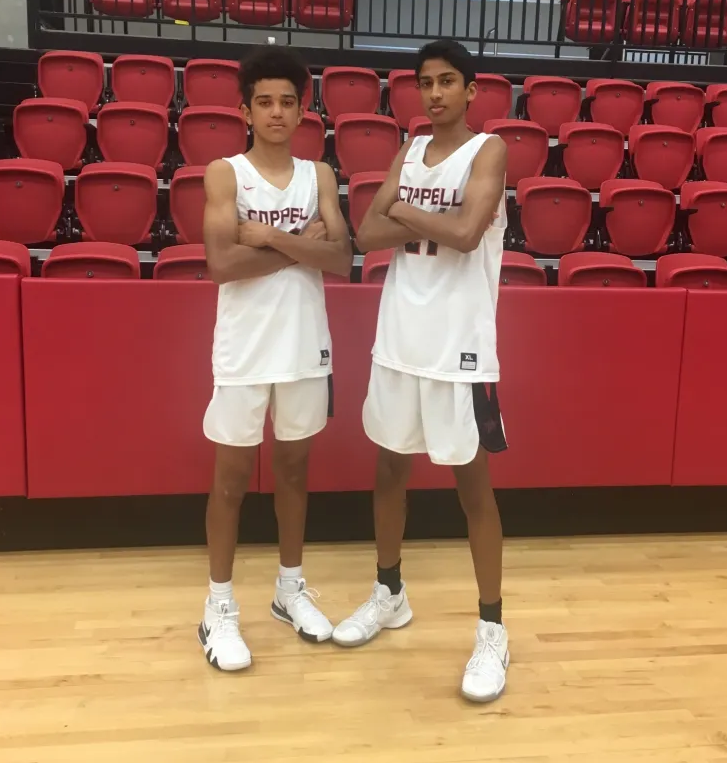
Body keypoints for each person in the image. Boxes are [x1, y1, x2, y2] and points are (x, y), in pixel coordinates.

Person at [332, 39, 509, 703]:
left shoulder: (487, 150)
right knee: (388, 468)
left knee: (473, 486)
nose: (433, 94)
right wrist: (409, 214)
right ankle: (390, 594)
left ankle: (492, 629)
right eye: (424, 84)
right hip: (399, 335)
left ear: (471, 91)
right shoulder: (409, 152)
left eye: (446, 83)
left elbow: (465, 234)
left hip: (459, 346)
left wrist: (400, 209)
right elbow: (363, 233)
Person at [199, 46, 352, 671]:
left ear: (303, 109)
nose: (277, 112)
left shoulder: (319, 175)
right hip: (243, 347)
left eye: (288, 101)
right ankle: (218, 607)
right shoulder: (224, 173)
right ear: (246, 109)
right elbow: (221, 265)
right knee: (230, 482)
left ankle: (289, 591)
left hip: (304, 345)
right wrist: (300, 245)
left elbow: (342, 259)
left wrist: (268, 236)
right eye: (265, 101)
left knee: (293, 472)